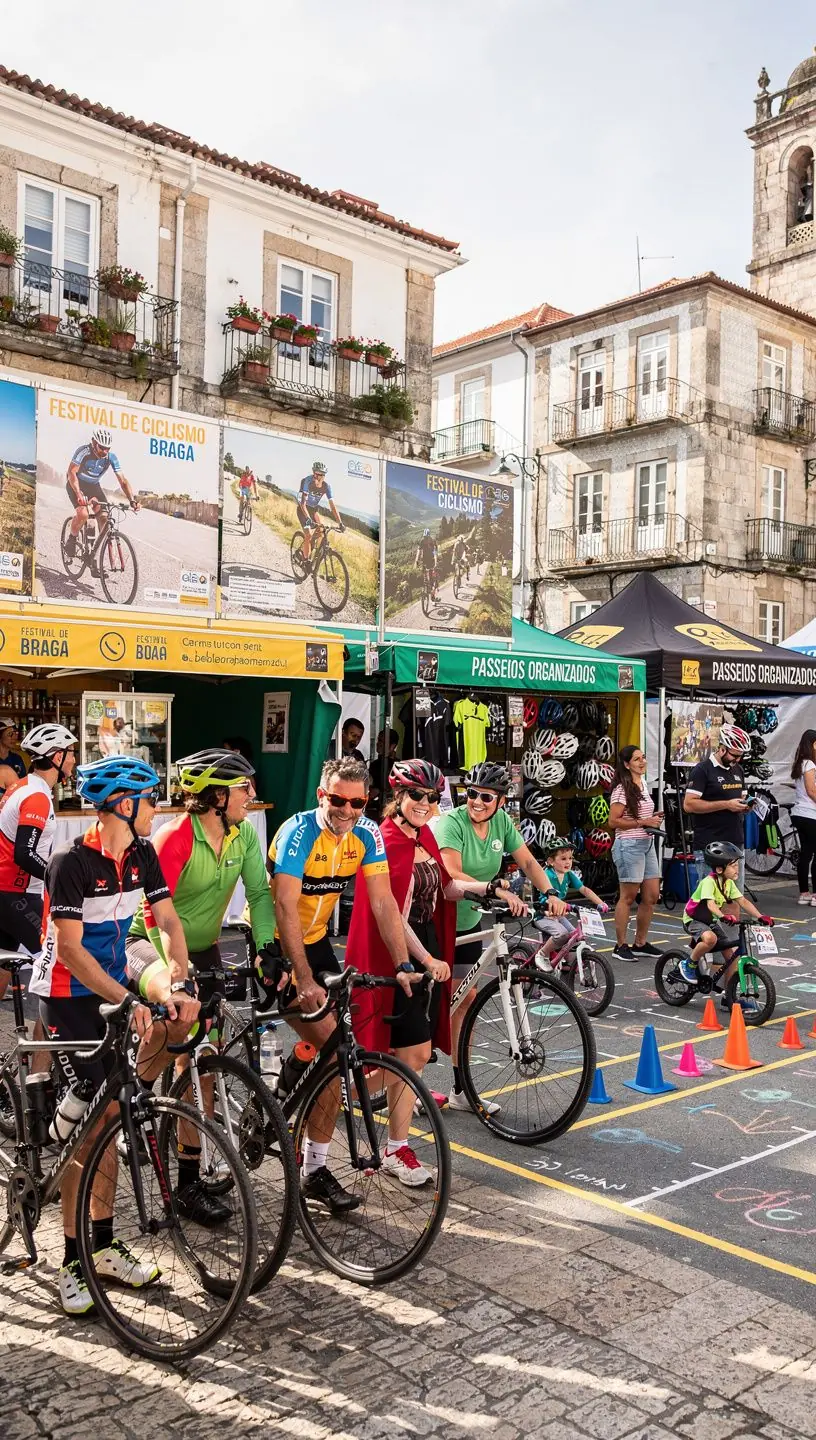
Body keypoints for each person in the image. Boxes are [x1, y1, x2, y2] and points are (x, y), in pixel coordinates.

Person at [29, 756, 197, 1317]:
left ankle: (102, 1247)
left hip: (113, 976)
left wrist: (177, 966)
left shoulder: (141, 854)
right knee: (94, 1125)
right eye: (151, 798)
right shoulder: (69, 863)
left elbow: (167, 921)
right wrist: (127, 1002)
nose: (158, 807)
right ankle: (74, 1261)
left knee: (119, 1103)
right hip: (65, 991)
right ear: (125, 805)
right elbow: (71, 952)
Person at [125, 748, 276, 1223]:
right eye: (242, 789)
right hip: (147, 943)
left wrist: (268, 949)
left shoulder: (243, 836)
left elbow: (259, 893)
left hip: (205, 949)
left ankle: (188, 1184)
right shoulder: (175, 838)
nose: (251, 797)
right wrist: (174, 972)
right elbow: (154, 912)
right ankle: (134, 1094)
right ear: (215, 795)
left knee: (203, 1064)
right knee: (171, 1024)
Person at [268, 757, 412, 1213]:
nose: (347, 810)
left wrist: (404, 962)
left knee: (337, 1050)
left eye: (357, 802)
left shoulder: (366, 835)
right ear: (321, 796)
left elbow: (385, 902)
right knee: (333, 1044)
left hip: (317, 945)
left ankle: (310, 1157)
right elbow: (285, 907)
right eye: (337, 800)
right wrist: (303, 976)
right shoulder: (298, 832)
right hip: (277, 947)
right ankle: (308, 1163)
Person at [348, 759, 503, 1182]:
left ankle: (391, 1145)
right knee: (397, 1056)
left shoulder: (425, 837)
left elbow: (446, 887)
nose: (425, 802)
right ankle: (340, 1103)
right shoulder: (386, 841)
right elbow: (393, 916)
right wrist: (427, 959)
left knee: (411, 1054)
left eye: (432, 797)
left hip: (426, 951)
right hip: (396, 956)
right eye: (416, 795)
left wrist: (486, 888)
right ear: (397, 797)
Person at [434, 761, 568, 1111]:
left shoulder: (502, 823)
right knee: (430, 997)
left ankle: (461, 1091)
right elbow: (451, 873)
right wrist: (493, 887)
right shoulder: (453, 822)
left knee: (465, 998)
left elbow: (528, 862)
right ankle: (402, 1059)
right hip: (436, 917)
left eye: (486, 797)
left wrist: (550, 892)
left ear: (501, 802)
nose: (477, 802)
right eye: (473, 794)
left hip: (469, 919)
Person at [0, 722, 78, 1006]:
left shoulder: (24, 786)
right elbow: (24, 852)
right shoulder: (36, 796)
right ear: (56, 757)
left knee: (3, 968)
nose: (73, 759)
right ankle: (51, 1040)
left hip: (7, 893)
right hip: (16, 895)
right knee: (57, 963)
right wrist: (57, 876)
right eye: (70, 753)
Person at [679, 840, 771, 1002]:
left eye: (737, 865)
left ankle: (729, 996)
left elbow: (743, 901)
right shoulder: (709, 882)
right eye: (733, 865)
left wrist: (760, 916)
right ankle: (689, 964)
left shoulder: (728, 883)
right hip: (694, 919)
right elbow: (710, 904)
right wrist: (722, 916)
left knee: (732, 956)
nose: (737, 869)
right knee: (710, 939)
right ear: (720, 868)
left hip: (711, 920)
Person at [609, 745, 664, 962]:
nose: (642, 762)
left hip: (646, 843)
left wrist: (653, 818)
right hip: (629, 845)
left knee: (651, 895)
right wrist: (644, 821)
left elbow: (641, 816)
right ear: (626, 764)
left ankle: (640, 943)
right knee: (628, 896)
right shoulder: (622, 789)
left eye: (643, 758)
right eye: (637, 759)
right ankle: (620, 945)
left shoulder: (642, 785)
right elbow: (613, 821)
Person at [683, 724, 751, 890]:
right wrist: (726, 805)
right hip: (710, 843)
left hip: (735, 841)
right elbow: (689, 805)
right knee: (710, 898)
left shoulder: (738, 770)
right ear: (722, 749)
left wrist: (746, 805)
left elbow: (741, 796)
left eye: (740, 756)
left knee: (735, 896)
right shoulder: (702, 770)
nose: (737, 760)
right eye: (735, 755)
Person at [64, 426, 140, 562]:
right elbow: (72, 473)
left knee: (104, 518)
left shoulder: (111, 458)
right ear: (94, 442)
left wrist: (132, 500)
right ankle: (71, 539)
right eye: (101, 447)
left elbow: (122, 481)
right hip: (76, 483)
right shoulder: (83, 451)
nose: (105, 451)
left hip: (94, 486)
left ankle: (93, 557)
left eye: (107, 448)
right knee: (83, 514)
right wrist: (79, 494)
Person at [535, 838, 608, 958]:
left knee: (574, 936)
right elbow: (546, 897)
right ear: (550, 861)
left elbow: (584, 889)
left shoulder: (568, 874)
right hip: (543, 915)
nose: (568, 862)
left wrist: (600, 903)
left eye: (570, 858)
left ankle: (564, 962)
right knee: (562, 935)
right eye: (563, 859)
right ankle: (542, 954)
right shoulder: (547, 875)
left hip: (558, 913)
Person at [297, 460, 344, 566]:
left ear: (324, 476)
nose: (316, 476)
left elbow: (332, 506)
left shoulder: (326, 487)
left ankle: (311, 547)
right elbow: (302, 503)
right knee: (308, 534)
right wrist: (308, 519)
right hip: (303, 510)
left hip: (313, 510)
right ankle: (305, 561)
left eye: (319, 475)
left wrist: (340, 523)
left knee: (322, 530)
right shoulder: (307, 481)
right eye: (315, 473)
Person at [790, 728, 816, 904]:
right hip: (810, 814)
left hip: (799, 812)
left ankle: (804, 893)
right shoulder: (810, 764)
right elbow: (811, 790)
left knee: (806, 853)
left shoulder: (800, 763)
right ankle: (814, 895)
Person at [367, 728, 400, 818]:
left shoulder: (399, 766)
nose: (378, 743)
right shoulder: (375, 764)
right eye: (378, 740)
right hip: (374, 809)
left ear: (392, 746)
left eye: (381, 741)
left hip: (390, 810)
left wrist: (379, 791)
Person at [415, 529, 438, 600]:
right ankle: (425, 589)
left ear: (429, 537)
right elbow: (419, 551)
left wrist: (436, 561)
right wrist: (416, 561)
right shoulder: (422, 541)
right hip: (424, 560)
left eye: (427, 537)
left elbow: (435, 552)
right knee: (424, 576)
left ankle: (432, 595)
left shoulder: (432, 542)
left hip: (431, 560)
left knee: (431, 579)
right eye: (424, 537)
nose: (425, 539)